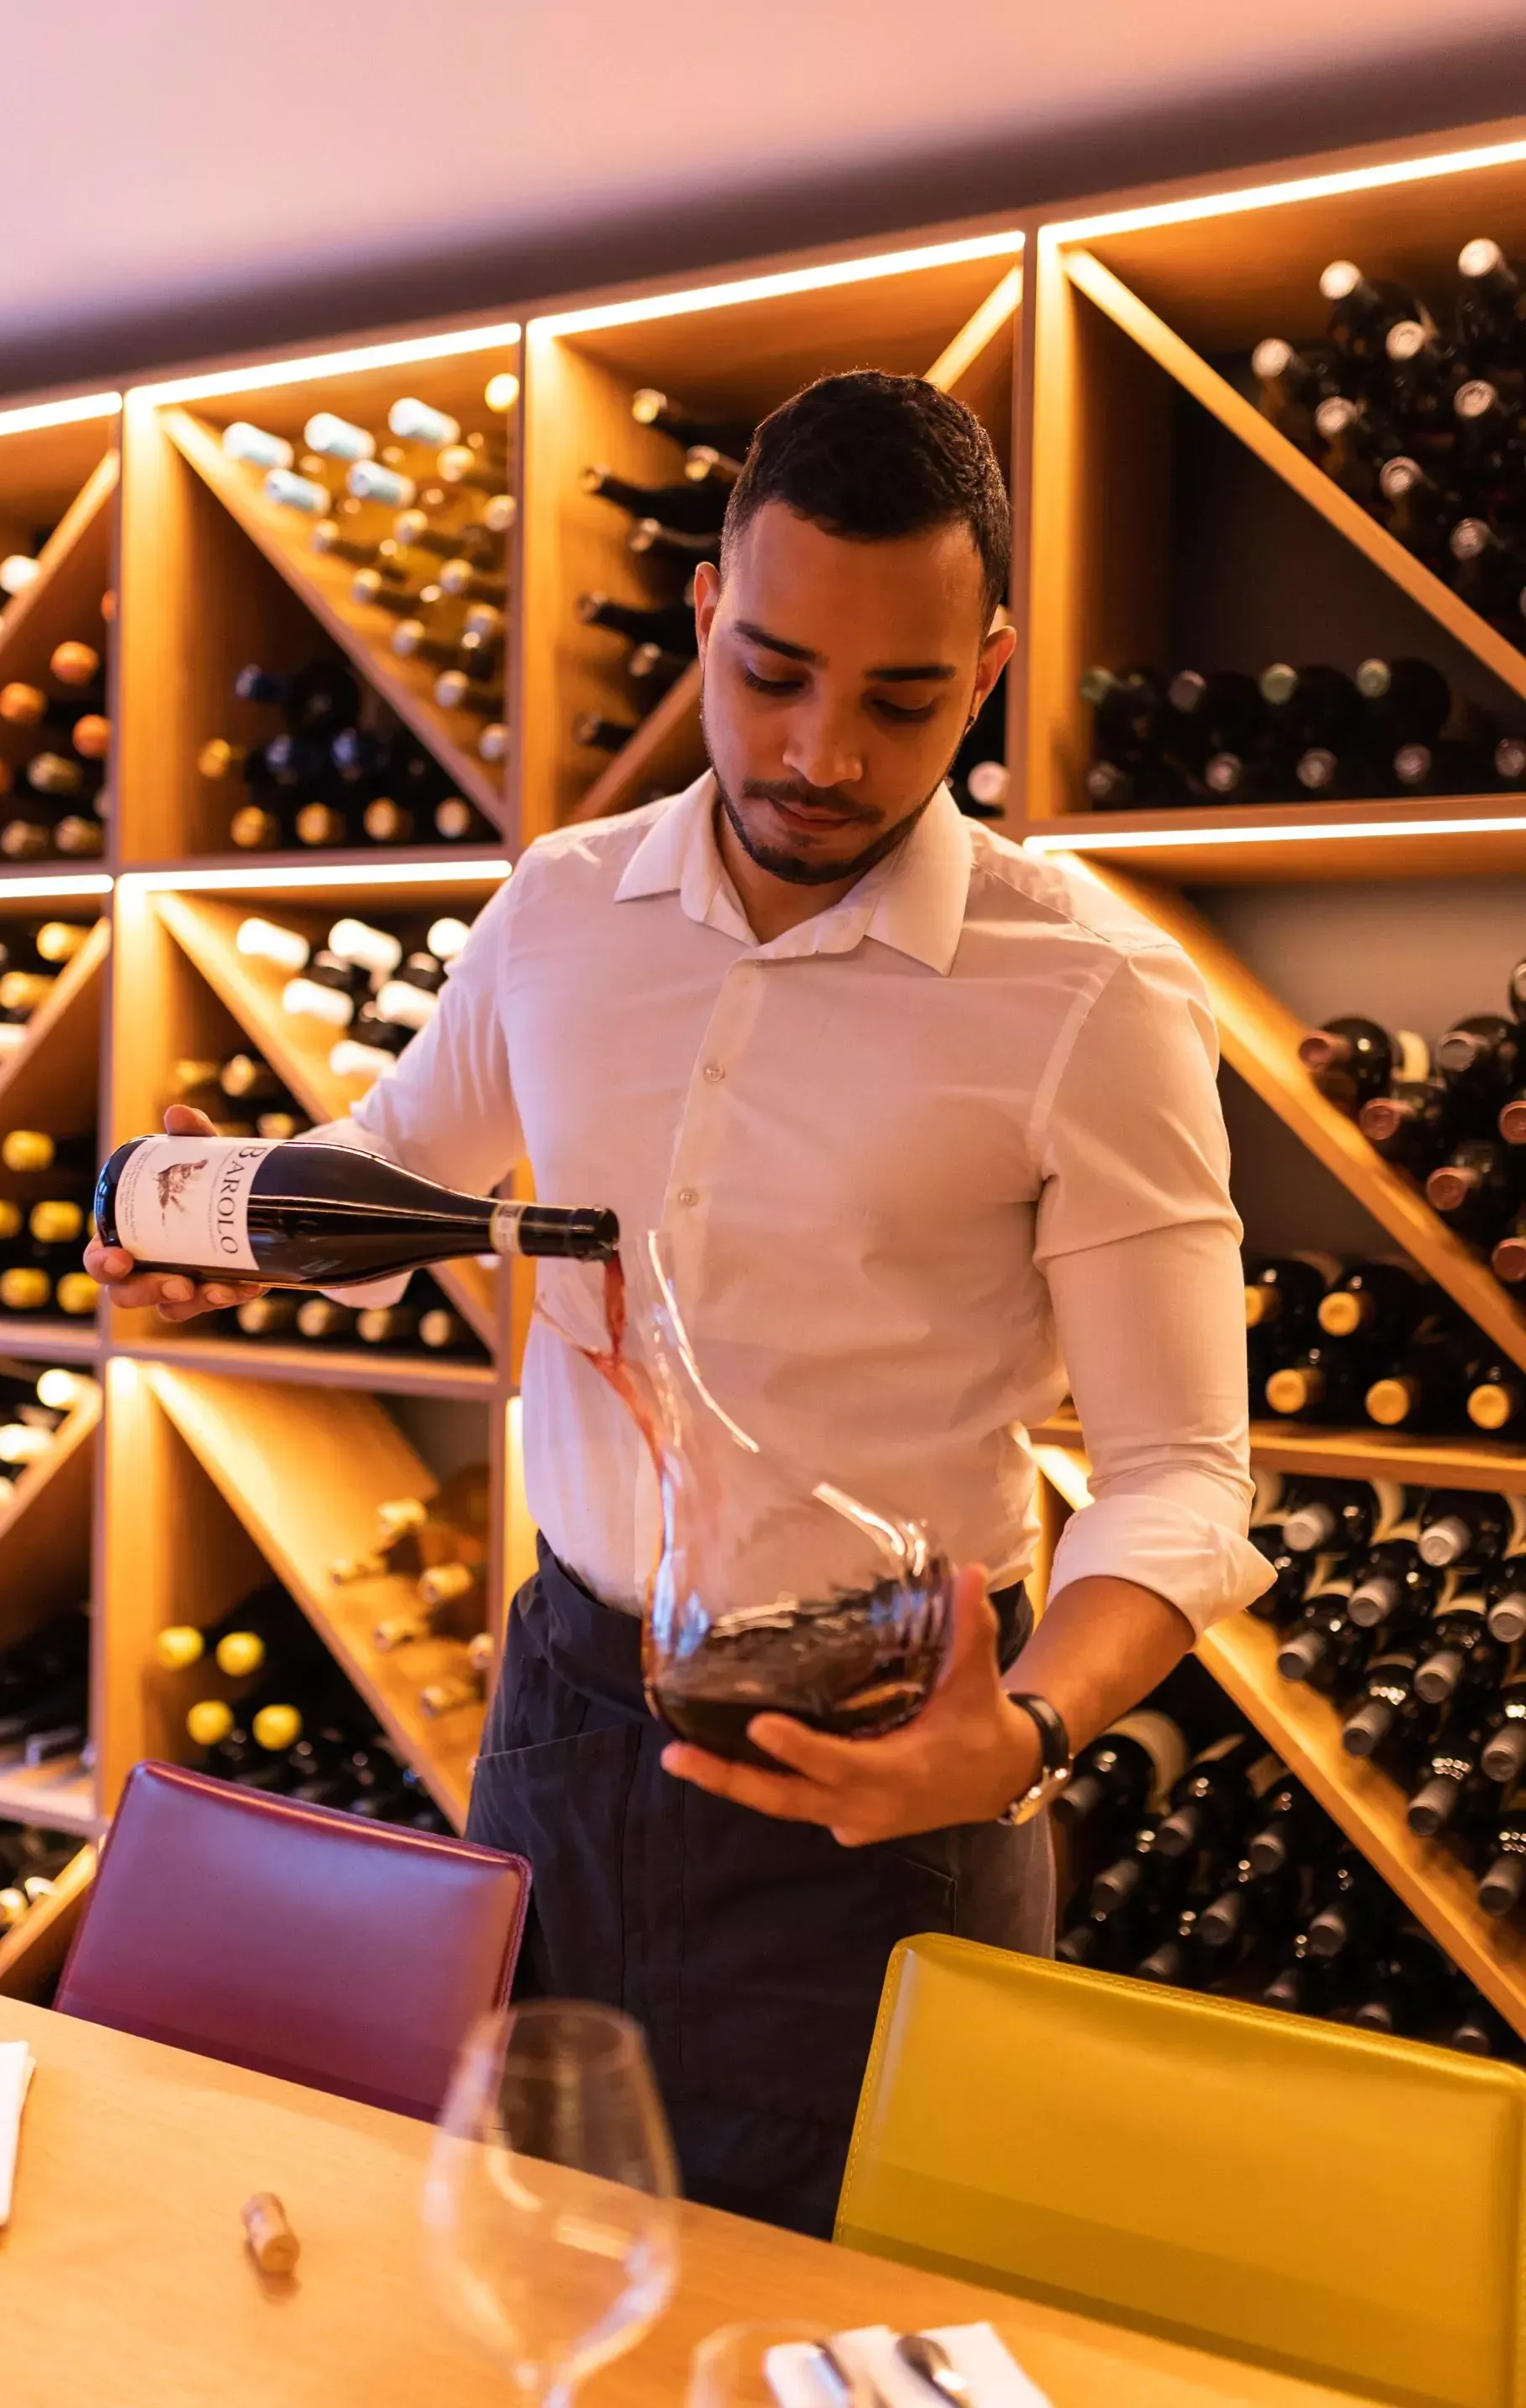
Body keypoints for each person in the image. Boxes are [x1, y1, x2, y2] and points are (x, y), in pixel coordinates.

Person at [88, 370, 1273, 2237]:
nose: (820, 752)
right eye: (773, 675)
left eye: (901, 700)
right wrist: (220, 1202)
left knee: (837, 2313)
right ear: (708, 619)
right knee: (530, 2255)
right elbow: (405, 1176)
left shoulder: (1091, 1001)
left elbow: (1186, 1476)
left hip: (890, 1744)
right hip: (564, 1704)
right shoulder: (559, 914)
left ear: (987, 671)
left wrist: (1024, 1734)